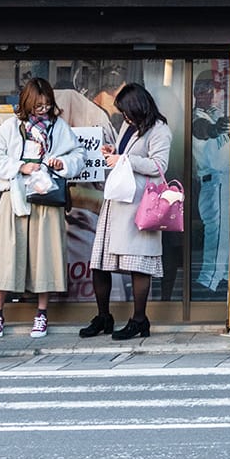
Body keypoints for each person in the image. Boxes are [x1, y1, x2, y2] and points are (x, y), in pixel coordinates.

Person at [0, 78, 84, 338]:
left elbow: (78, 155)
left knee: (45, 255)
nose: (43, 110)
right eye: (38, 105)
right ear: (27, 103)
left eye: (47, 105)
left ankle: (41, 313)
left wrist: (62, 164)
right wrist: (19, 166)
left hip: (47, 197)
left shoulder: (59, 127)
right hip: (15, 197)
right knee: (7, 254)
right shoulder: (11, 127)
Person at [83, 83, 172, 341]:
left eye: (127, 111)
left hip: (140, 205)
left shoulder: (159, 130)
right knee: (99, 264)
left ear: (139, 106)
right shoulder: (129, 126)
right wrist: (116, 152)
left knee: (138, 264)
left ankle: (139, 320)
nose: (125, 117)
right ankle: (103, 316)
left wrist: (124, 159)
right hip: (117, 201)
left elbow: (159, 166)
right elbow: (126, 155)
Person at [191, 70, 230, 295]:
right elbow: (201, 130)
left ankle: (222, 276)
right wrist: (215, 129)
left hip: (221, 180)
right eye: (213, 89)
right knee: (217, 233)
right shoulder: (199, 117)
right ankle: (207, 281)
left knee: (222, 232)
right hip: (214, 180)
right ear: (200, 92)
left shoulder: (216, 113)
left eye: (218, 89)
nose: (217, 93)